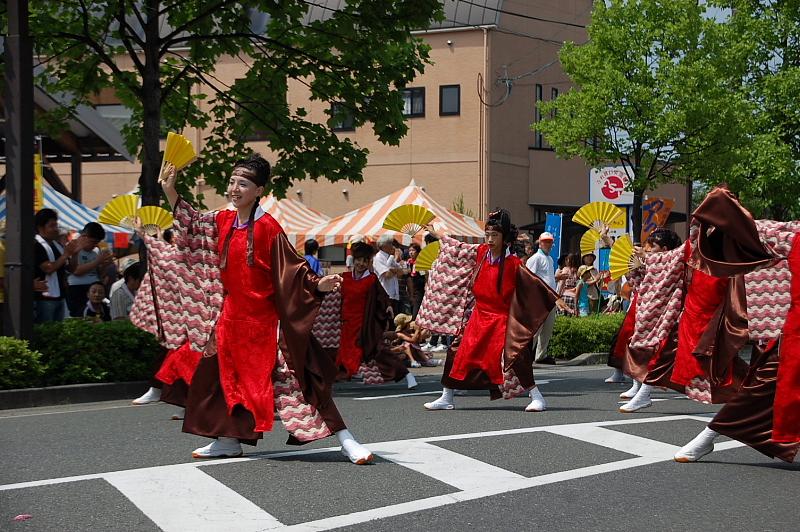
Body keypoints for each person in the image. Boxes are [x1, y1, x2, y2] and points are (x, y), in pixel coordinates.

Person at [131, 154, 373, 463]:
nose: (234, 189)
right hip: (231, 319)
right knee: (220, 381)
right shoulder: (224, 220)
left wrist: (317, 284)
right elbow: (191, 223)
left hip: (267, 324)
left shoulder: (268, 227)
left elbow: (292, 268)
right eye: (232, 182)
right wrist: (170, 189)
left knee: (299, 383)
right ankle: (228, 439)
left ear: (259, 190)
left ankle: (347, 440)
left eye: (243, 184)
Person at [418, 210, 568, 412]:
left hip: (502, 317)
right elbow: (458, 248)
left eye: (494, 235)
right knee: (456, 351)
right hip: (479, 315)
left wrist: (553, 300)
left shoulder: (514, 264)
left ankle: (537, 396)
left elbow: (534, 289)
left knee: (516, 356)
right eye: (487, 234)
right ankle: (447, 395)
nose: (489, 239)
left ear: (504, 237)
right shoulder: (480, 252)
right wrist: (438, 236)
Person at [312, 241, 416, 389]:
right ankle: (332, 377)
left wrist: (387, 308)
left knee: (377, 351)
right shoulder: (345, 277)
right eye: (358, 260)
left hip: (366, 324)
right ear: (353, 261)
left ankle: (406, 374)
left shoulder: (372, 279)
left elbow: (382, 296)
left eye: (364, 261)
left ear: (368, 262)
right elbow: (330, 292)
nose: (361, 264)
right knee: (344, 353)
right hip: (347, 324)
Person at [34, 208, 81, 323]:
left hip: (60, 295)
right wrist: (66, 254)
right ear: (41, 227)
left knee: (58, 332)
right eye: (51, 226)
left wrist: (74, 254)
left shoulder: (57, 245)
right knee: (46, 331)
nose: (55, 229)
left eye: (56, 225)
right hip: (44, 298)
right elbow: (48, 268)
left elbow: (71, 269)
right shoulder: (36, 244)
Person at [526, 231, 559, 364]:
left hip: (550, 298)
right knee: (536, 329)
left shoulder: (550, 259)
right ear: (540, 243)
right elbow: (529, 278)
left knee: (547, 329)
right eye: (546, 241)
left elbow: (548, 278)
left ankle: (541, 355)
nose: (548, 244)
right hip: (539, 299)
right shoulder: (535, 258)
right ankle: (526, 355)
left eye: (550, 242)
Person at [67, 222, 113, 317]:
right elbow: (76, 271)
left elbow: (99, 274)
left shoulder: (95, 251)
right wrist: (97, 261)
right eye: (93, 241)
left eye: (97, 242)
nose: (95, 245)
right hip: (77, 288)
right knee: (80, 316)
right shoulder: (73, 247)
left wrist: (105, 265)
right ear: (84, 236)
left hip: (93, 286)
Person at [373, 234, 406, 315]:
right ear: (384, 245)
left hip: (394, 295)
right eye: (390, 244)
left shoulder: (389, 256)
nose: (392, 246)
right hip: (385, 295)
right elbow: (387, 275)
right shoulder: (378, 258)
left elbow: (401, 272)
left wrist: (393, 270)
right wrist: (395, 270)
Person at [406, 243, 426, 318]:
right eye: (409, 250)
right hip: (409, 289)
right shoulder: (408, 263)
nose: (411, 252)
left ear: (418, 252)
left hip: (418, 290)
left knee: (416, 310)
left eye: (413, 250)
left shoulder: (421, 263)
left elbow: (423, 277)